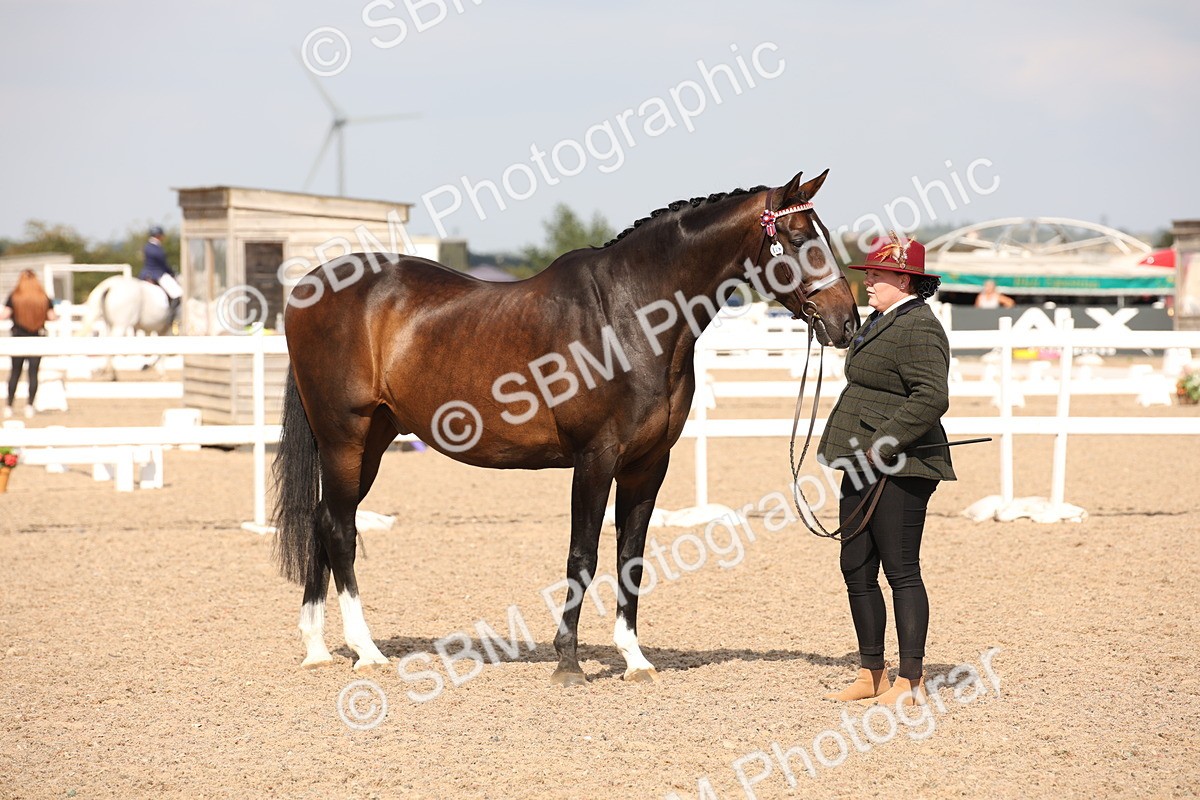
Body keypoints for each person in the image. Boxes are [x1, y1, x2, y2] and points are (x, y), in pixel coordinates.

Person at [817, 232, 956, 707]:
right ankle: (871, 672)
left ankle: (910, 680)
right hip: (861, 459)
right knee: (855, 565)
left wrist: (884, 443)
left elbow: (932, 396)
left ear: (905, 280)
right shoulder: (879, 320)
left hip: (902, 465)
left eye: (878, 275)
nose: (869, 282)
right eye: (870, 274)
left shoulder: (920, 327)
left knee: (900, 569)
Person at [2, 270, 58, 419]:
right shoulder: (43, 298)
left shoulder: (15, 296)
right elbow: (52, 316)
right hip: (37, 338)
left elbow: (5, 314)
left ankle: (9, 406)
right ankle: (29, 406)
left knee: (15, 372)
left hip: (18, 338)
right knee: (33, 373)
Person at [139, 225, 182, 321]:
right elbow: (163, 264)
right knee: (178, 293)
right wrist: (171, 272)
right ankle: (170, 317)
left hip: (145, 273)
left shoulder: (147, 246)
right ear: (159, 236)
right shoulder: (156, 248)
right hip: (157, 274)